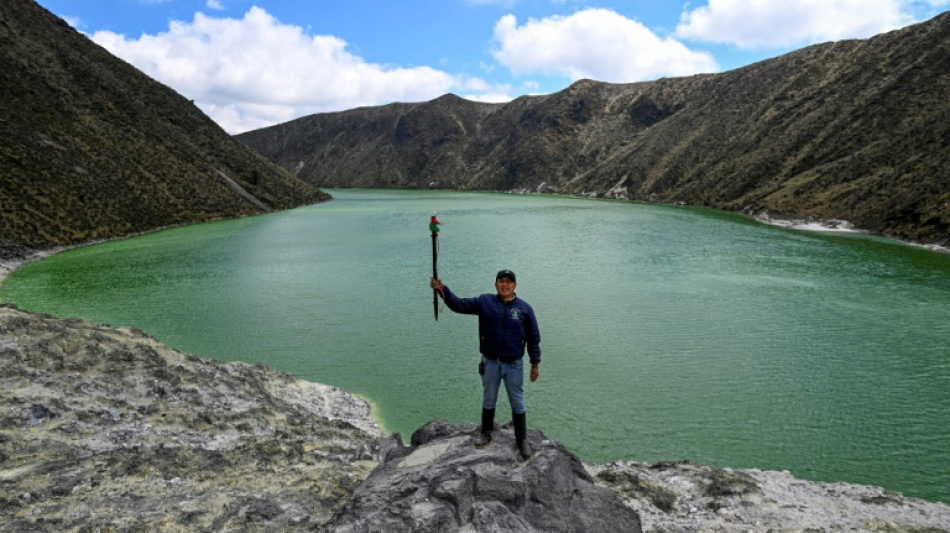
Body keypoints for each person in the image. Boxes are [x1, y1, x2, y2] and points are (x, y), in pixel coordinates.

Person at [430, 269, 541, 459]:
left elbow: (533, 338)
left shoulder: (524, 309)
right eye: (501, 281)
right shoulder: (485, 302)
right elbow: (458, 305)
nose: (504, 285)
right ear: (495, 284)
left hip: (514, 365)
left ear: (515, 285)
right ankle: (486, 433)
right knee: (489, 399)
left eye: (508, 282)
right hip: (490, 363)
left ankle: (522, 440)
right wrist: (441, 289)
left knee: (518, 402)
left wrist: (535, 363)